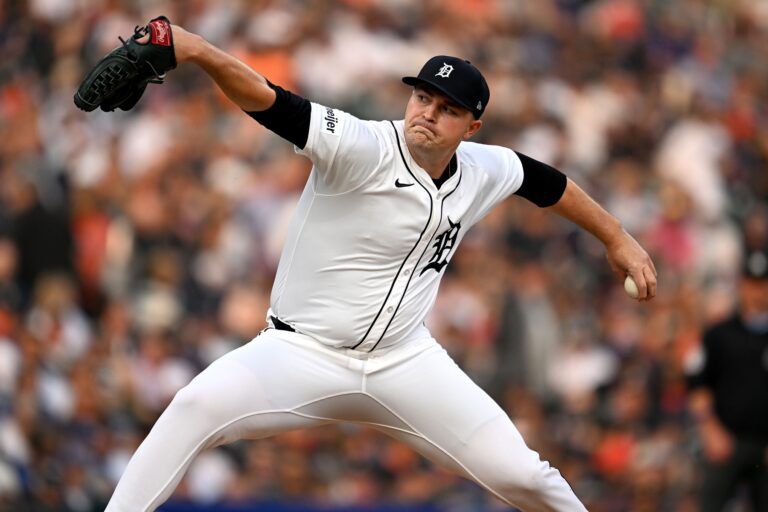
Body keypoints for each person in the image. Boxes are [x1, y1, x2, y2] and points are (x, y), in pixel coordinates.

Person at [103, 21, 657, 512]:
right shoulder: (364, 145)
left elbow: (545, 182)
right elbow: (271, 102)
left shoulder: (485, 168)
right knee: (192, 407)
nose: (428, 114)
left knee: (526, 476)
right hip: (300, 352)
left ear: (472, 127)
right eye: (422, 98)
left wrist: (617, 236)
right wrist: (197, 51)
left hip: (404, 361)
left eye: (447, 109)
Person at [687, 249, 768, 512]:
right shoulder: (718, 334)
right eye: (752, 283)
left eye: (763, 283)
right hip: (725, 440)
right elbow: (697, 385)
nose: (758, 291)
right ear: (741, 285)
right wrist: (710, 430)